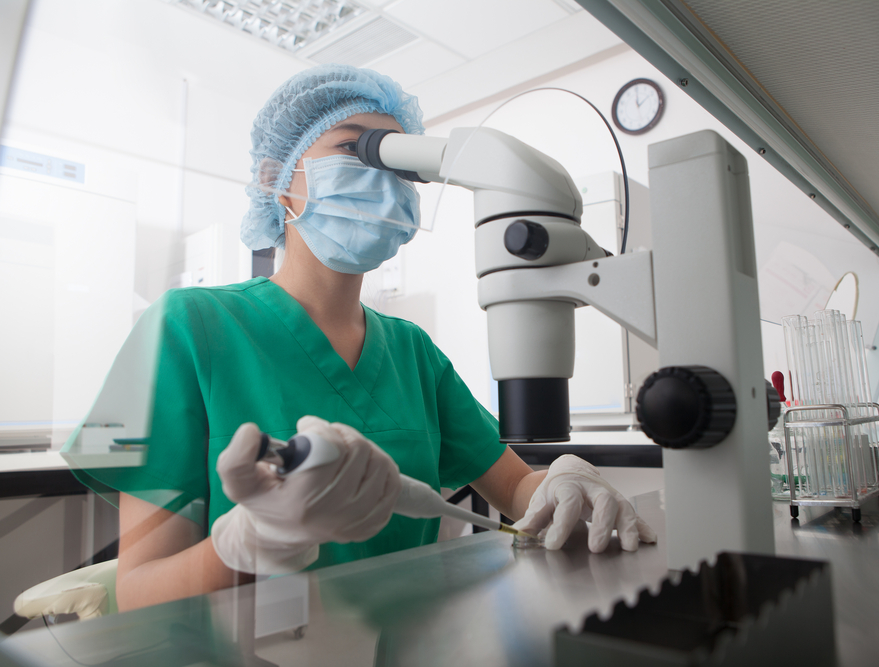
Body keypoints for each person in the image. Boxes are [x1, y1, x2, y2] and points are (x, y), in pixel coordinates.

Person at [72, 64, 655, 612]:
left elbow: (516, 488)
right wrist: (249, 544)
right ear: (278, 180)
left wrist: (564, 482)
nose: (381, 179)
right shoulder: (186, 326)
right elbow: (140, 592)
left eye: (398, 163)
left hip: (413, 642)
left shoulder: (412, 352)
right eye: (355, 150)